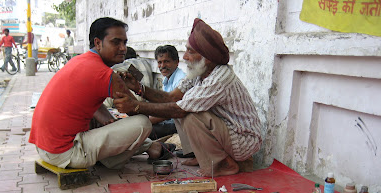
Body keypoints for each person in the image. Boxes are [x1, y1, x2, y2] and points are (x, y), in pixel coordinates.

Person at [113, 18, 262, 177]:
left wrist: (135, 106)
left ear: (207, 57)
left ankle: (223, 164)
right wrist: (139, 88)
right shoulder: (200, 72)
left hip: (244, 140)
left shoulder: (220, 78)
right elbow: (172, 97)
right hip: (228, 132)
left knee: (188, 114)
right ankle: (198, 155)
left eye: (190, 52)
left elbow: (178, 109)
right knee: (183, 108)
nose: (185, 57)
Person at [29, 17, 175, 170]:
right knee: (142, 125)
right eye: (116, 42)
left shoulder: (79, 61)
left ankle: (152, 148)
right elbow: (138, 113)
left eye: (124, 42)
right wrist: (138, 90)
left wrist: (111, 120)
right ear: (98, 43)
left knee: (115, 122)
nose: (123, 48)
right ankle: (139, 151)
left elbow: (95, 106)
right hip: (65, 153)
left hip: (44, 148)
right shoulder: (104, 74)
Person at [149, 45, 189, 147]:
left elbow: (171, 111)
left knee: (146, 130)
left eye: (166, 61)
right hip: (170, 118)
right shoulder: (167, 79)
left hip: (179, 122)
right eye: (159, 62)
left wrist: (148, 120)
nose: (162, 65)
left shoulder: (181, 80)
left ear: (176, 62)